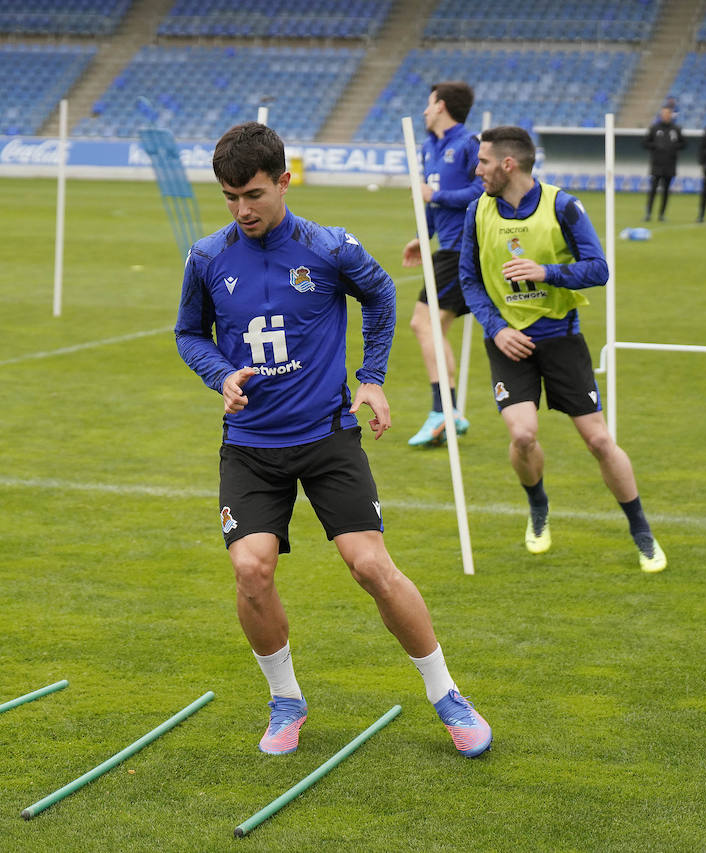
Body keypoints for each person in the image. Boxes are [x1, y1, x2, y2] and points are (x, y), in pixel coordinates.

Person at [175, 122, 491, 758]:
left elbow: (379, 296)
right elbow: (189, 334)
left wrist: (371, 378)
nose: (243, 210)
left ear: (284, 181)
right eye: (230, 197)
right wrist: (220, 374)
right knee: (251, 570)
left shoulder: (330, 247)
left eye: (255, 195)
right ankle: (286, 700)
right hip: (251, 445)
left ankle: (446, 694)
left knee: (371, 564)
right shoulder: (208, 258)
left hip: (327, 437)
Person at [457, 126, 666, 573]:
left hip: (561, 338)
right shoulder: (476, 211)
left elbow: (599, 269)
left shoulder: (563, 206)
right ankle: (538, 508)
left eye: (483, 162)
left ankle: (641, 531)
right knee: (523, 435)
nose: (478, 170)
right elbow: (469, 281)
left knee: (599, 441)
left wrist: (546, 272)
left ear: (507, 164)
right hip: (508, 341)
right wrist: (495, 329)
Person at [401, 81, 484, 447]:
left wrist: (436, 194)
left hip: (466, 246)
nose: (424, 110)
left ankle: (443, 410)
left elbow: (483, 192)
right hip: (447, 245)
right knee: (434, 326)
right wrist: (425, 235)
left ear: (442, 106)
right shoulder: (429, 147)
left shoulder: (469, 144)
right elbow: (433, 205)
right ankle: (448, 411)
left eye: (428, 103)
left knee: (424, 322)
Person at [642, 106, 685, 222]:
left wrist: (672, 148)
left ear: (671, 115)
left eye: (668, 113)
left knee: (666, 191)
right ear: (661, 115)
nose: (666, 115)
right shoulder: (655, 128)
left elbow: (683, 144)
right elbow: (645, 143)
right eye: (664, 113)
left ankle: (662, 214)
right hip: (656, 164)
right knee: (653, 190)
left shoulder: (676, 129)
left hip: (670, 165)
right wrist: (656, 147)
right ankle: (648, 213)